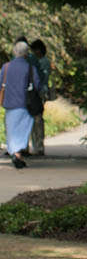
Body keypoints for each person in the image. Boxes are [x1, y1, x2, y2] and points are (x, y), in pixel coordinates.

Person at [1, 38, 43, 169]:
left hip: (9, 103)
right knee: (23, 129)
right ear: (26, 54)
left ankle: (15, 152)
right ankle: (18, 153)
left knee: (11, 129)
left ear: (14, 52)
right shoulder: (30, 68)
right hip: (26, 103)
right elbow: (37, 85)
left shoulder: (6, 67)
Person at [27, 39, 51, 157]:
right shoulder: (37, 61)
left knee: (37, 119)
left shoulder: (42, 62)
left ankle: (38, 146)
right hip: (37, 92)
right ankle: (37, 146)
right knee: (36, 120)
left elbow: (42, 79)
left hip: (38, 93)